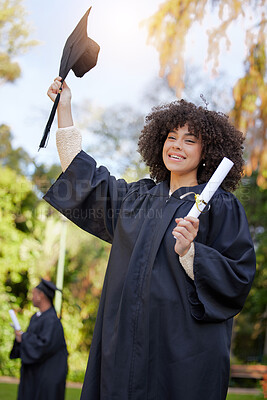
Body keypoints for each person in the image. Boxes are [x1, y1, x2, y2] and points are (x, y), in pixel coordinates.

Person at [44, 77, 256, 400]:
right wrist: (64, 108)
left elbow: (238, 277)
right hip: (124, 351)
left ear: (207, 151)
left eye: (189, 140)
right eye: (171, 137)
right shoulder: (137, 199)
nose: (176, 146)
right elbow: (85, 179)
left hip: (179, 359)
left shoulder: (220, 206)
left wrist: (192, 255)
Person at [10, 278, 68, 400]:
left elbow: (43, 345)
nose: (31, 297)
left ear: (41, 295)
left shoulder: (52, 321)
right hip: (35, 374)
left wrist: (24, 337)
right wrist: (20, 338)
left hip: (47, 376)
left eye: (33, 293)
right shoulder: (36, 318)